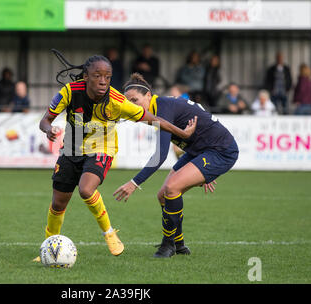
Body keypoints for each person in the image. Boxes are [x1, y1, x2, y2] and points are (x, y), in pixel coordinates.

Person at [34, 51, 197, 261]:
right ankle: (49, 248)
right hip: (72, 148)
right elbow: (45, 120)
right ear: (86, 76)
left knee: (86, 189)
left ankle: (109, 232)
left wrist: (181, 132)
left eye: (107, 77)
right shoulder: (69, 91)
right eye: (97, 75)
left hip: (102, 148)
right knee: (58, 203)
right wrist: (49, 129)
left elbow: (153, 118)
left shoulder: (116, 100)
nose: (103, 81)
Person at [113, 73, 238, 258]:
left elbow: (160, 155)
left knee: (172, 188)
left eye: (135, 100)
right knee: (163, 196)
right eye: (128, 102)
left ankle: (168, 244)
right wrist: (202, 171)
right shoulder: (159, 108)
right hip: (200, 152)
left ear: (148, 96)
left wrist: (134, 182)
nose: (131, 105)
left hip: (220, 151)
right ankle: (179, 244)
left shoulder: (162, 108)